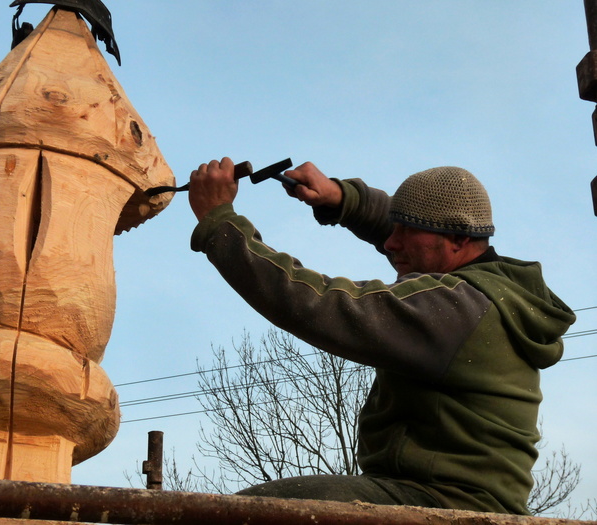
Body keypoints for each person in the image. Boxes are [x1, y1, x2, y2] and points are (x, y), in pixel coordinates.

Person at [187, 158, 576, 515]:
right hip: (436, 494)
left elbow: (320, 302)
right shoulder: (492, 291)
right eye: (395, 226)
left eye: (406, 231)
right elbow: (415, 232)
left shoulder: (455, 309)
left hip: (445, 504)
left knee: (244, 514)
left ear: (458, 240)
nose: (391, 243)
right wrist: (343, 199)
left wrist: (219, 221)